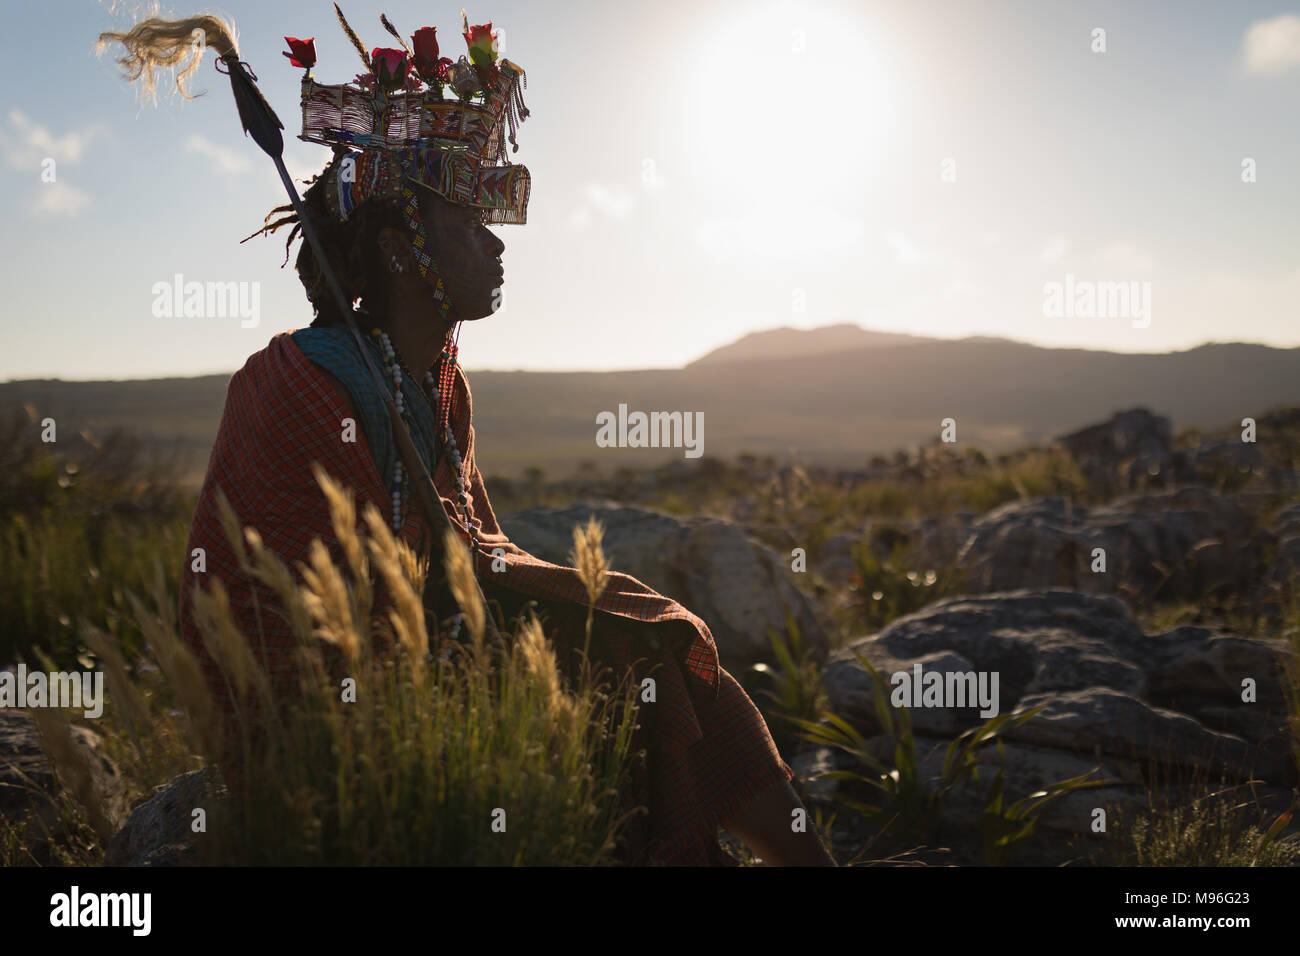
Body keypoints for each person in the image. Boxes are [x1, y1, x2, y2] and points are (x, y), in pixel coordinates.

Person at [102, 9, 834, 867]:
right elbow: (273, 614)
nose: (493, 245)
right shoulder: (294, 385)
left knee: (651, 639)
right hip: (327, 709)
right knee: (623, 648)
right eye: (465, 223)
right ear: (397, 245)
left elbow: (479, 552)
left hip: (443, 651)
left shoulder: (440, 387)